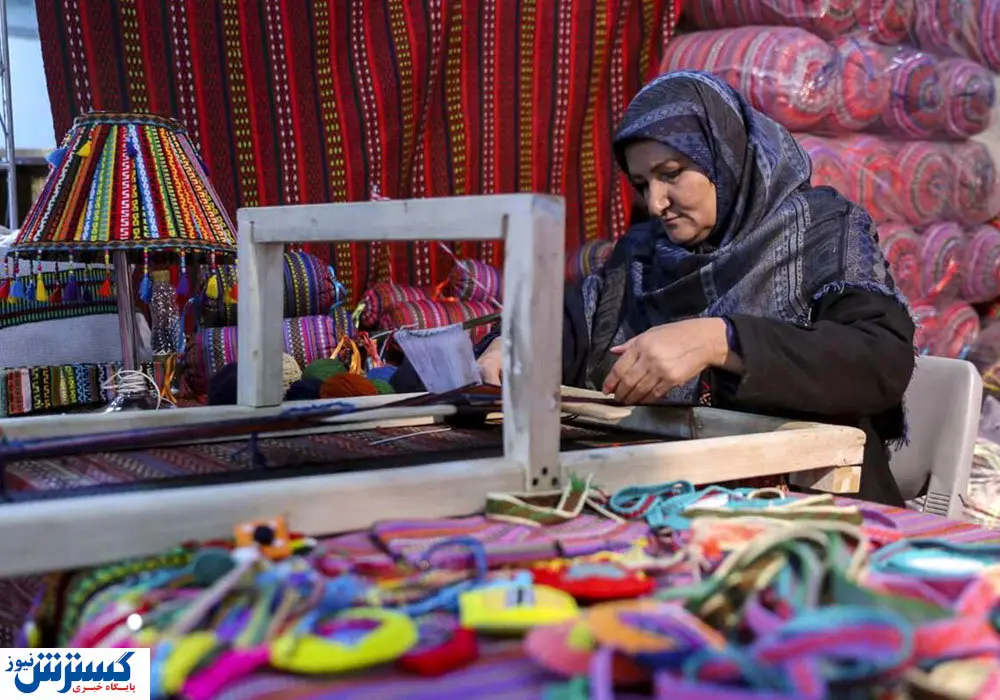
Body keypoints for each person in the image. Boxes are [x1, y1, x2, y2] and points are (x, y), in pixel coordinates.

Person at [393, 71, 915, 506]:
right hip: (681, 501)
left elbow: (879, 361)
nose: (658, 202)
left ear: (725, 157)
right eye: (643, 184)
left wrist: (720, 340)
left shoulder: (821, 230)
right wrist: (518, 346)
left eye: (672, 174)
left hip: (817, 503)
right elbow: (577, 324)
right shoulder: (646, 256)